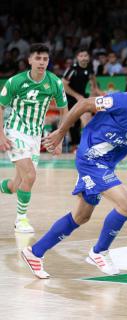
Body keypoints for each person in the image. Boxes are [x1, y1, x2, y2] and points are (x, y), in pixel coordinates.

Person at [21, 67, 127, 279]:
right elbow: (83, 104)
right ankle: (99, 251)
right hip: (91, 158)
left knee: (81, 216)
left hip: (106, 163)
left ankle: (34, 252)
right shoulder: (122, 101)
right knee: (126, 203)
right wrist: (61, 132)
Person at [0, 43, 68, 233]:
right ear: (29, 60)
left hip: (35, 136)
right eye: (37, 58)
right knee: (30, 175)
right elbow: (1, 106)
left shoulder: (54, 82)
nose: (41, 62)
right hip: (15, 131)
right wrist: (1, 135)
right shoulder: (15, 81)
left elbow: (64, 110)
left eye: (45, 59)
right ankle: (21, 220)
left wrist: (60, 139)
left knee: (16, 185)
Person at [62, 47, 102, 152]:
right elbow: (63, 85)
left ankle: (90, 144)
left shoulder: (90, 69)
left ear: (88, 57)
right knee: (72, 123)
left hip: (83, 98)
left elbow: (94, 86)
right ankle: (74, 146)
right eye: (81, 56)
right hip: (70, 99)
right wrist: (76, 96)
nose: (83, 58)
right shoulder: (72, 69)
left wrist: (98, 94)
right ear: (77, 58)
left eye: (85, 56)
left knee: (87, 118)